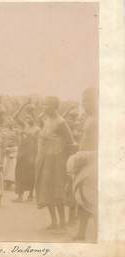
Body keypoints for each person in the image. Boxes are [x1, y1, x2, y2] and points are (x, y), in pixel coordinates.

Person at [35, 96, 74, 231]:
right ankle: (54, 221)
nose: (44, 108)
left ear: (55, 106)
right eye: (44, 105)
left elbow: (71, 142)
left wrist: (66, 163)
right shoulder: (46, 120)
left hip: (57, 161)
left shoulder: (61, 122)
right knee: (45, 189)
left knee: (57, 190)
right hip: (45, 160)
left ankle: (62, 223)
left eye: (47, 105)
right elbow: (42, 130)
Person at [67, 87, 98, 240]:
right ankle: (81, 233)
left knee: (92, 199)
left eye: (88, 101)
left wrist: (86, 155)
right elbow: (85, 140)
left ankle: (99, 234)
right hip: (82, 162)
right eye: (83, 101)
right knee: (81, 198)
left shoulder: (101, 119)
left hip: (93, 163)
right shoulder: (89, 118)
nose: (85, 104)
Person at [13, 101, 40, 202]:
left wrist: (36, 156)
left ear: (34, 117)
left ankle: (31, 195)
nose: (28, 119)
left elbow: (38, 144)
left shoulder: (37, 129)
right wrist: (22, 105)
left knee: (31, 174)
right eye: (26, 118)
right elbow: (15, 117)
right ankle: (20, 195)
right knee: (20, 173)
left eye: (30, 117)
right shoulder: (24, 126)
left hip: (31, 154)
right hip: (22, 153)